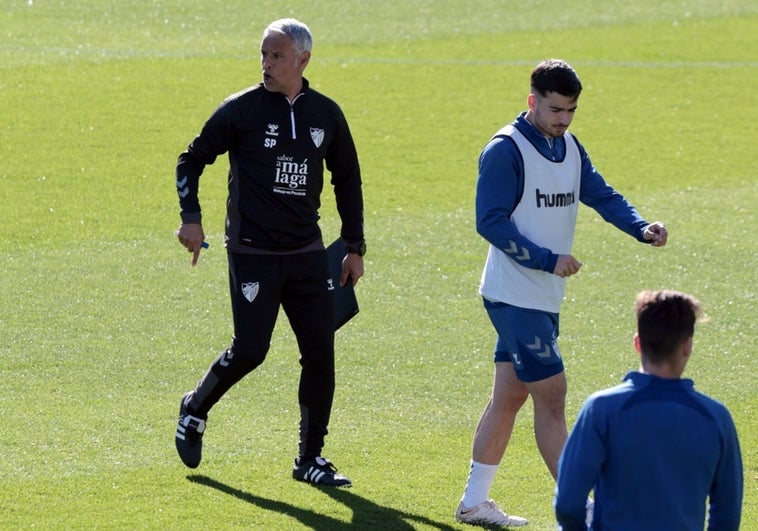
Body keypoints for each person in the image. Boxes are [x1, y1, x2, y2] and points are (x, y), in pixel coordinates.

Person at [455, 59, 669, 527]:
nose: (564, 119)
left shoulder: (569, 146)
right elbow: (488, 221)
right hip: (514, 294)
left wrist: (640, 226)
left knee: (509, 397)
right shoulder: (505, 150)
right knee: (552, 398)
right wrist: (547, 259)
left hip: (542, 296)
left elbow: (600, 193)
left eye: (571, 110)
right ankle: (585, 510)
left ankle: (474, 502)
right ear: (532, 100)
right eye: (555, 109)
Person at [172, 18, 365, 487]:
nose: (266, 64)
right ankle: (194, 407)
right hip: (253, 252)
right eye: (263, 54)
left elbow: (348, 180)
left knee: (321, 354)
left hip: (307, 254)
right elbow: (190, 159)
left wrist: (354, 247)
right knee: (251, 350)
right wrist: (191, 217)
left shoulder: (326, 114)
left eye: (276, 56)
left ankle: (310, 459)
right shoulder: (241, 110)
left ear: (303, 60)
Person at [554, 290, 743, 530]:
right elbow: (727, 515)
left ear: (637, 343)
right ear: (687, 346)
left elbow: (568, 504)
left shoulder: (602, 409)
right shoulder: (716, 418)